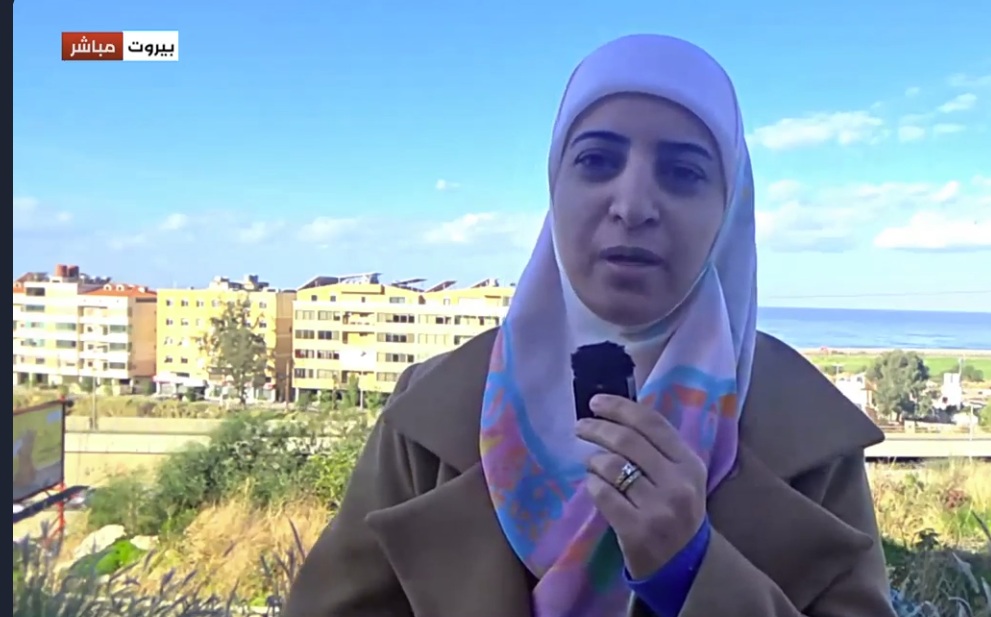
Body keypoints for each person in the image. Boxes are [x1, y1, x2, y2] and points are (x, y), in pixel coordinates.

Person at [285, 33, 895, 617]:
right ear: (556, 185)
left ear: (728, 208)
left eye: (683, 172)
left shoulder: (802, 426)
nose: (632, 206)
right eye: (597, 161)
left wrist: (691, 570)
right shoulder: (434, 407)